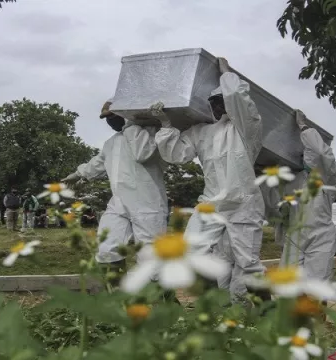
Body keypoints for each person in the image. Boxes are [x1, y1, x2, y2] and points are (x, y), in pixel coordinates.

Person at [153, 57, 265, 302]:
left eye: (221, 101)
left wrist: (227, 74)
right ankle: (217, 308)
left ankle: (268, 314)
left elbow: (242, 103)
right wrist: (165, 124)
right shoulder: (201, 132)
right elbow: (177, 153)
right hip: (211, 203)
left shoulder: (247, 129)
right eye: (213, 102)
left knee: (248, 264)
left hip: (243, 204)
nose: (217, 107)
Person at [62, 99, 168, 279]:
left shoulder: (148, 133)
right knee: (106, 248)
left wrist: (130, 126)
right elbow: (98, 162)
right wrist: (78, 174)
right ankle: (118, 297)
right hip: (119, 201)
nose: (110, 121)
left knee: (151, 257)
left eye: (113, 116)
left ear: (125, 115)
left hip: (147, 201)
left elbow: (142, 154)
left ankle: (164, 302)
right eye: (106, 118)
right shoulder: (111, 143)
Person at [262, 109, 336, 285]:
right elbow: (273, 208)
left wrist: (304, 128)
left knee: (316, 287)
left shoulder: (331, 175)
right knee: (288, 285)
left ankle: (315, 312)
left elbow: (322, 153)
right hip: (295, 235)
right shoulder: (293, 180)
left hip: (320, 236)